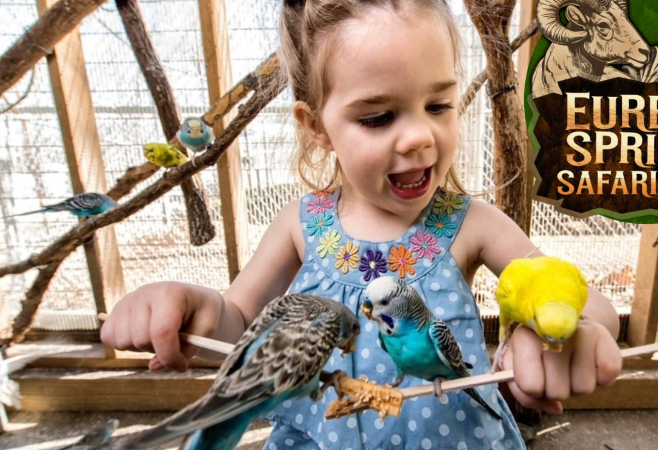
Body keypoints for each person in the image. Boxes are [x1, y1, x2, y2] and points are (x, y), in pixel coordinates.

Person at [100, 0, 623, 448]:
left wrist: (565, 333)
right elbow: (237, 322)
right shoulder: (300, 225)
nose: (419, 136)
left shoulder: (474, 225)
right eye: (378, 117)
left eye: (438, 104)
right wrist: (192, 307)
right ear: (317, 127)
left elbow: (583, 300)